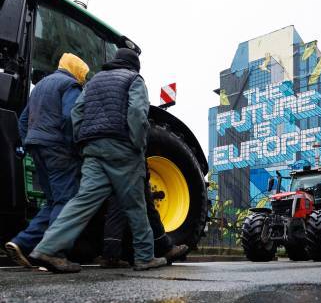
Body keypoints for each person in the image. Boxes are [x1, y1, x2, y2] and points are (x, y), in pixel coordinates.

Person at [29, 48, 167, 273]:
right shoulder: (134, 79)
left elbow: (77, 112)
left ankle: (49, 248)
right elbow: (137, 114)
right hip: (122, 148)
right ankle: (144, 256)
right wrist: (138, 145)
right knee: (135, 204)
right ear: (134, 66)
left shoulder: (93, 81)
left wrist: (81, 142)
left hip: (93, 149)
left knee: (82, 201)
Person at [5, 53, 89, 268]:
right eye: (84, 74)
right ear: (76, 70)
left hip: (37, 147)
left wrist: (28, 141)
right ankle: (54, 252)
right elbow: (70, 117)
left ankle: (22, 243)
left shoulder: (41, 86)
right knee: (67, 200)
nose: (84, 78)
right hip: (58, 149)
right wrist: (73, 147)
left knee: (52, 201)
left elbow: (23, 120)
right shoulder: (70, 85)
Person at [98, 164, 188, 268]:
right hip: (130, 163)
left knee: (116, 205)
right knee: (144, 206)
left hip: (112, 163)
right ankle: (150, 254)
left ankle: (111, 256)